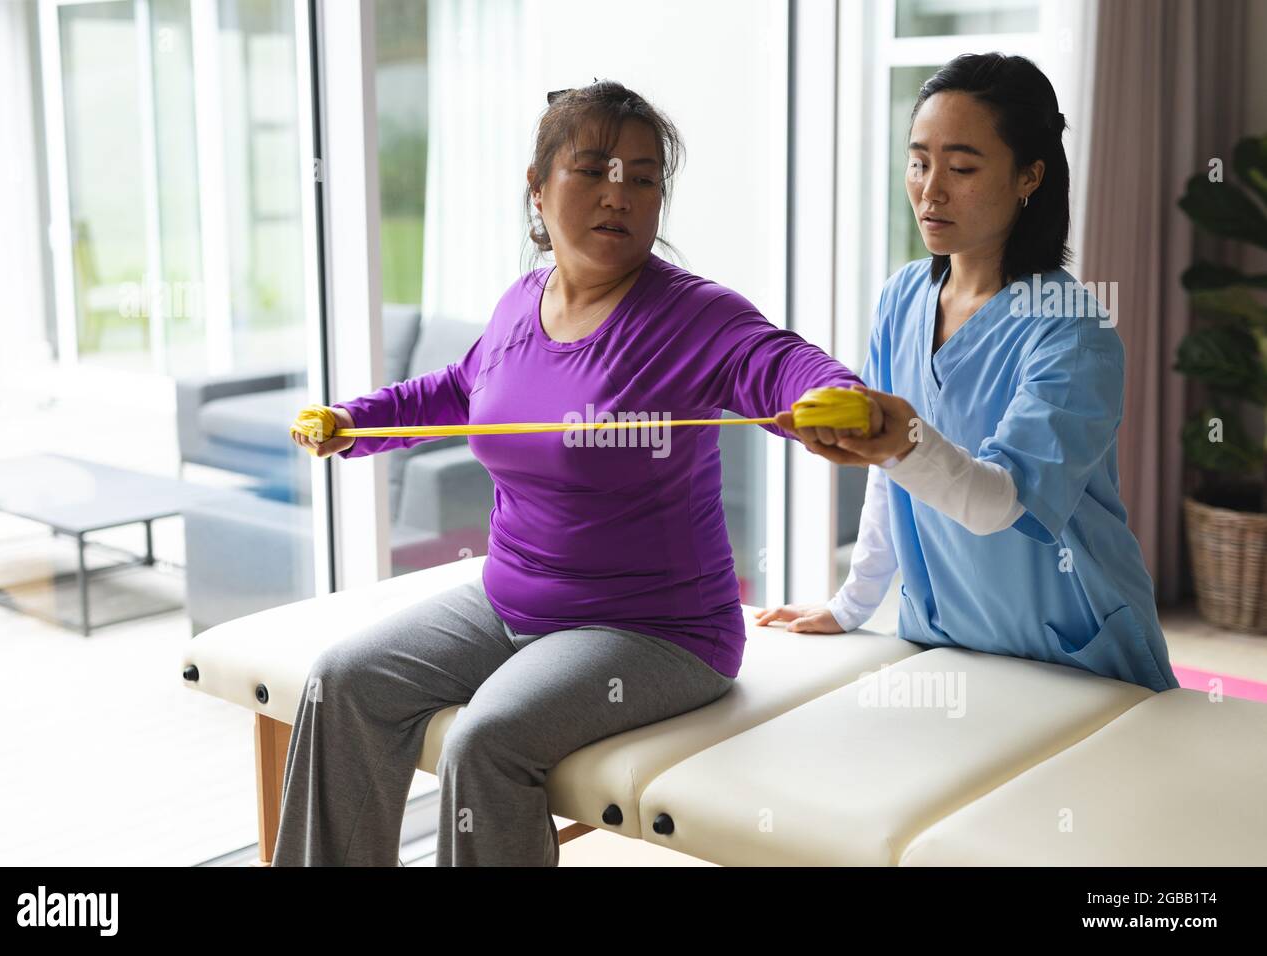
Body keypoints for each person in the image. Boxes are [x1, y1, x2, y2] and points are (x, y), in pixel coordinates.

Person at [275, 80, 862, 866]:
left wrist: (836, 399)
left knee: (487, 739)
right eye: (593, 169)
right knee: (341, 683)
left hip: (656, 631)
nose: (619, 193)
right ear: (538, 187)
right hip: (509, 599)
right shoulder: (523, 302)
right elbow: (461, 390)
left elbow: (777, 362)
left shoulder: (693, 316)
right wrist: (355, 424)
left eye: (644, 176)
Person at [759, 53, 1179, 696]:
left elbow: (1003, 503)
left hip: (1071, 652)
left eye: (960, 167)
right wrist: (852, 604)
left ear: (1028, 177)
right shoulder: (902, 296)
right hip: (946, 639)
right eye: (919, 161)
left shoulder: (1071, 331)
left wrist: (904, 442)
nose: (930, 189)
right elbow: (888, 483)